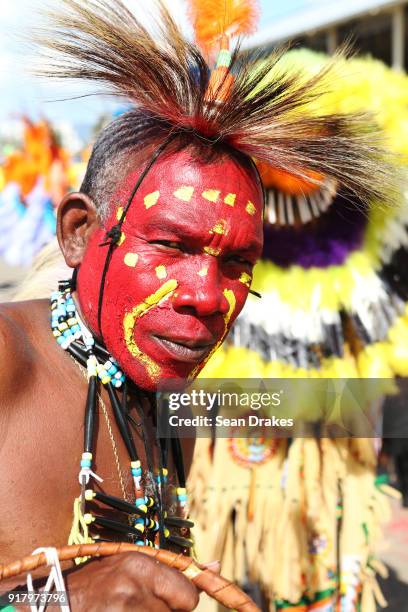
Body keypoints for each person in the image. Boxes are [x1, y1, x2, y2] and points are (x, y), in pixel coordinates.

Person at [0, 1, 394, 610]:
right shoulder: (6, 361)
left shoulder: (168, 406)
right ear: (80, 231)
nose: (208, 297)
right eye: (171, 245)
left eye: (238, 264)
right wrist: (50, 601)